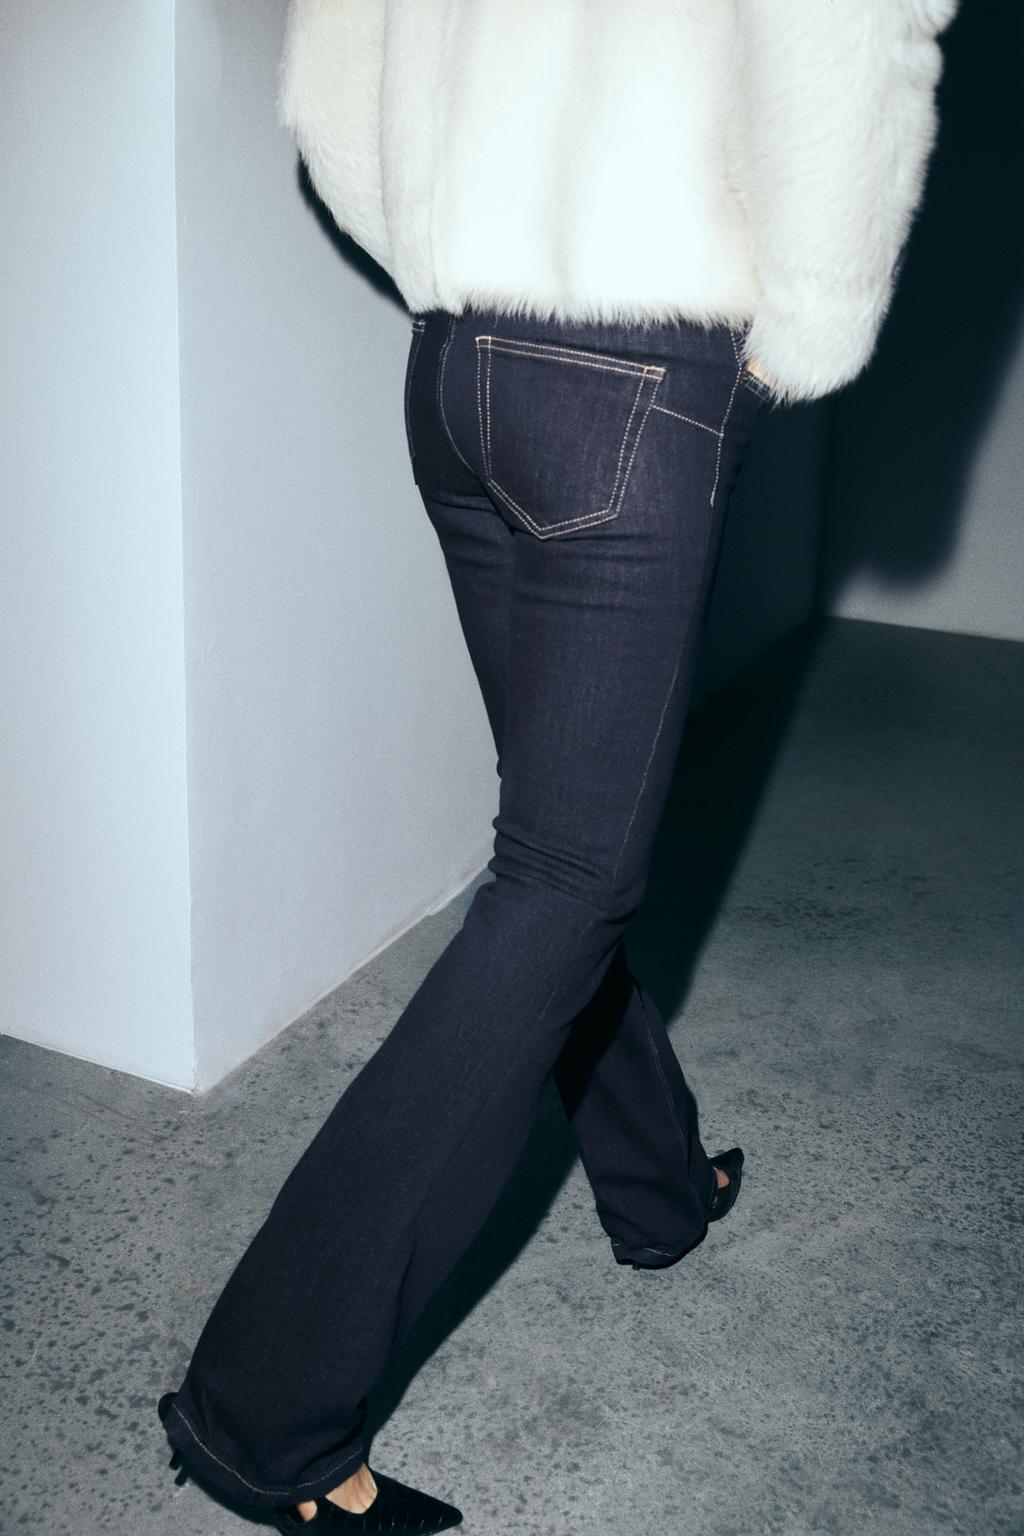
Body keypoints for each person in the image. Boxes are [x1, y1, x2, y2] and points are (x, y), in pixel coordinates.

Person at [157, 2, 958, 1530]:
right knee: (568, 877)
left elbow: (333, 86)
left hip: (460, 368)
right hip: (635, 368)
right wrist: (807, 329)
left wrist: (453, 266)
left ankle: (657, 1185)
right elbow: (842, 42)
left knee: (560, 850)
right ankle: (262, 1413)